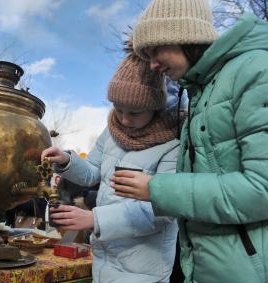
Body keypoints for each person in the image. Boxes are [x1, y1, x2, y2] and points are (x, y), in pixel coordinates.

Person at [113, 1, 268, 282]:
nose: (152, 65)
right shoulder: (202, 91)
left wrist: (157, 188)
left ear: (183, 34)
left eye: (155, 50)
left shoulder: (257, 70)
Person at [42, 43, 182, 282]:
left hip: (144, 268)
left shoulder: (174, 143)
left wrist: (95, 219)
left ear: (155, 108)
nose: (124, 120)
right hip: (104, 259)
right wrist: (66, 161)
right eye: (118, 109)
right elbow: (93, 172)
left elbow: (163, 210)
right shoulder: (113, 131)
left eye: (135, 112)